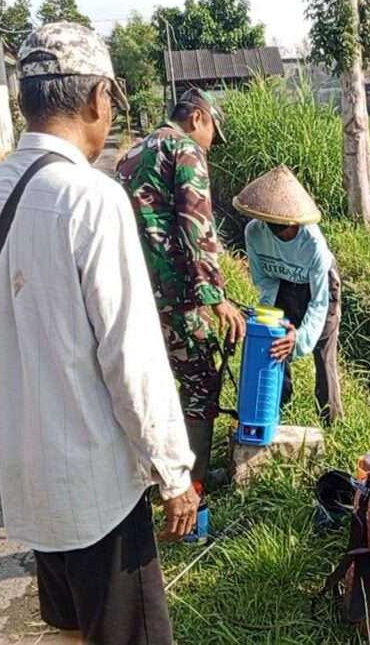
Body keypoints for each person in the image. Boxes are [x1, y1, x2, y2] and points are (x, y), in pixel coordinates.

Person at [0, 22, 196, 644]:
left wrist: (36, 349)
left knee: (71, 631)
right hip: (97, 494)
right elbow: (131, 358)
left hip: (31, 487)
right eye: (111, 100)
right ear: (94, 100)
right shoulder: (92, 198)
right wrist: (174, 472)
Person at [115, 88, 246, 496]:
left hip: (133, 295)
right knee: (201, 380)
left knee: (147, 382)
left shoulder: (132, 155)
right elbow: (197, 227)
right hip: (176, 296)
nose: (211, 145)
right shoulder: (185, 150)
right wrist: (216, 297)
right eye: (212, 134)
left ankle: (146, 473)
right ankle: (192, 480)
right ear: (198, 119)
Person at [233, 164, 343, 424]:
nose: (281, 233)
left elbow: (319, 302)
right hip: (282, 282)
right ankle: (278, 409)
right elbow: (266, 280)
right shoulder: (254, 233)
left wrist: (301, 339)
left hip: (319, 286)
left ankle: (331, 421)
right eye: (274, 227)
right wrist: (270, 320)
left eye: (286, 229)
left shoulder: (312, 243)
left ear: (296, 222)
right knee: (275, 342)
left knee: (323, 351)